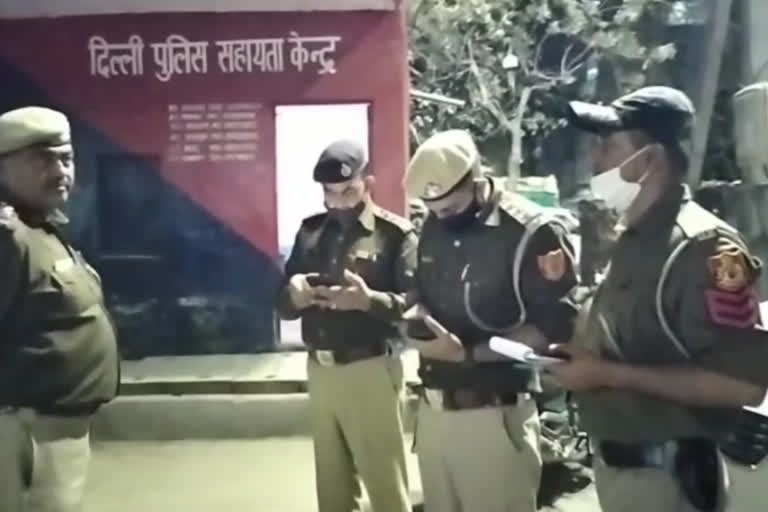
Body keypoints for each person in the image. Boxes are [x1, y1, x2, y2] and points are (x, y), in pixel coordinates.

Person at [548, 86, 768, 512]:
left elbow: (740, 383)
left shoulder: (702, 247)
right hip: (622, 474)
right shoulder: (631, 237)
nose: (596, 160)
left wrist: (606, 375)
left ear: (651, 159)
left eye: (609, 146)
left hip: (670, 481)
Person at [402, 129, 578, 512]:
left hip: (495, 418)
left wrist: (467, 353)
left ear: (477, 181)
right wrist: (418, 315)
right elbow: (420, 288)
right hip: (433, 416)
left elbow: (555, 325)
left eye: (449, 208)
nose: (438, 217)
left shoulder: (531, 232)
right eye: (431, 208)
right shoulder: (433, 225)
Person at [277, 140, 415, 512]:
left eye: (347, 190)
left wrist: (368, 301)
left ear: (367, 182)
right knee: (332, 489)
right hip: (321, 370)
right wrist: (295, 296)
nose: (337, 201)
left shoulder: (394, 235)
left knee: (385, 485)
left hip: (369, 369)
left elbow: (416, 309)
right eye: (329, 193)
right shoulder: (310, 232)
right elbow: (281, 302)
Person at [0, 106, 120, 511]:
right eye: (42, 160)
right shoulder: (8, 240)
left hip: (53, 430)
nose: (60, 171)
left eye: (65, 158)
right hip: (26, 432)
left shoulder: (41, 229)